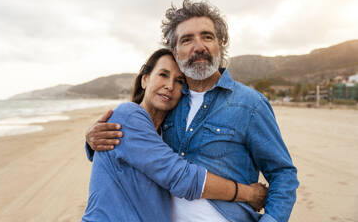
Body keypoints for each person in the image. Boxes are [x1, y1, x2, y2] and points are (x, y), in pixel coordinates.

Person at [86, 0, 299, 222]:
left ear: (221, 44)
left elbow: (283, 174)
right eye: (187, 39)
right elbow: (145, 150)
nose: (199, 47)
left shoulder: (250, 104)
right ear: (176, 53)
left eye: (207, 36)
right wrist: (93, 141)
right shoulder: (170, 104)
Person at [82, 49, 267, 222]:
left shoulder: (167, 134)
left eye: (179, 81)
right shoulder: (129, 115)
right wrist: (248, 194)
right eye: (163, 75)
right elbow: (182, 177)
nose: (170, 86)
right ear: (145, 80)